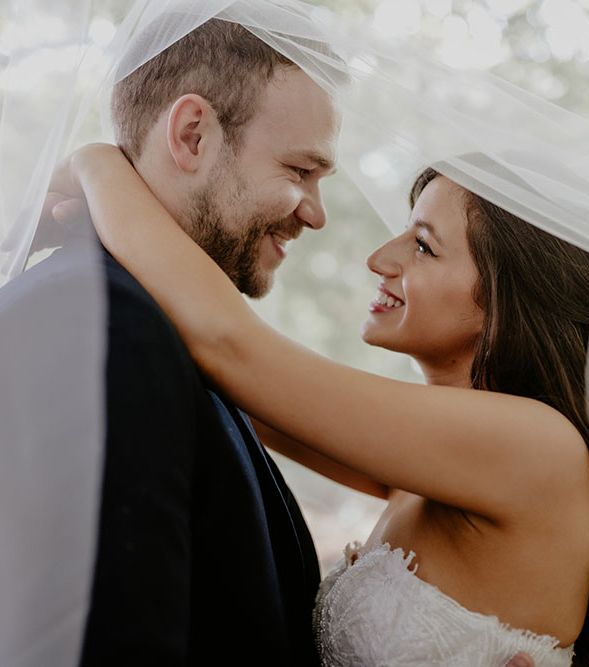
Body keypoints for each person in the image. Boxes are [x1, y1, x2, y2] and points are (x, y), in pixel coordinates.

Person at [50, 134, 589, 665]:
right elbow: (228, 377)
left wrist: (96, 161)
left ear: (508, 296)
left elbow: (227, 345)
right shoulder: (430, 469)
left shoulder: (533, 445)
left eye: (424, 245)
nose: (380, 258)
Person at [3, 19, 340, 666]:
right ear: (192, 135)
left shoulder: (163, 321)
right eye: (300, 169)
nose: (315, 213)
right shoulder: (97, 323)